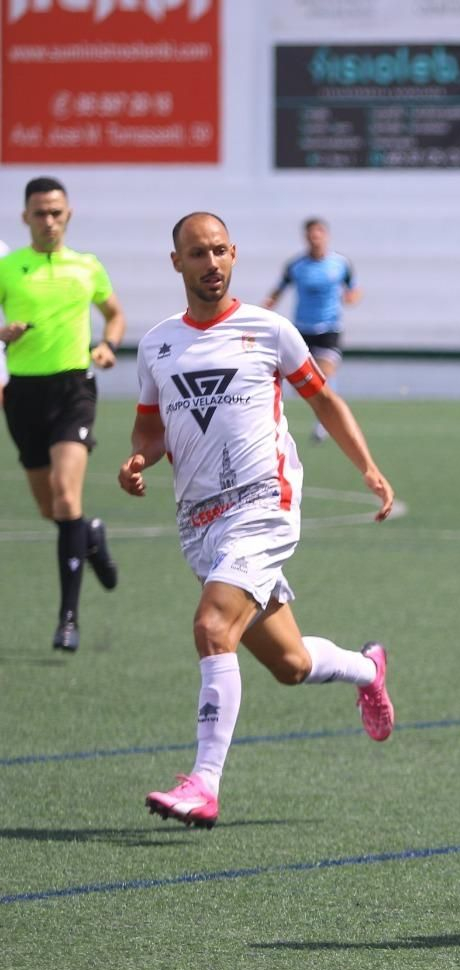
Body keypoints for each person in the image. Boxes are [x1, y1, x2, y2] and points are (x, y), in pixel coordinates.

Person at [119, 211, 397, 829]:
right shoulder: (158, 344)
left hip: (263, 506)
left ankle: (204, 783)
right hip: (200, 523)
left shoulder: (269, 330)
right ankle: (367, 668)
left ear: (234, 254)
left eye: (220, 250)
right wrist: (138, 458)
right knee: (289, 663)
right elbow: (148, 429)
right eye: (198, 253)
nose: (211, 263)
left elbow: (323, 399)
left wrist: (368, 468)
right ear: (177, 263)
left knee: (212, 626)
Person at [0, 177, 125, 652]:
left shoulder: (87, 266)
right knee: (50, 509)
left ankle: (68, 620)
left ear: (68, 214)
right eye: (40, 213)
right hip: (23, 394)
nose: (49, 221)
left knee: (67, 498)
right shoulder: (8, 268)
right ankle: (90, 535)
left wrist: (108, 345)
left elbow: (114, 314)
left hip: (74, 389)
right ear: (25, 217)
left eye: (56, 212)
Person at [264, 217, 361, 443]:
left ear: (326, 235)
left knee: (325, 375)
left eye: (319, 233)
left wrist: (351, 297)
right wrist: (264, 308)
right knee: (296, 380)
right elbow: (278, 290)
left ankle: (323, 422)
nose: (315, 238)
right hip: (302, 329)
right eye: (311, 234)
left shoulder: (340, 264)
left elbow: (355, 289)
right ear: (306, 237)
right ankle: (270, 419)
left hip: (329, 329)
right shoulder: (296, 266)